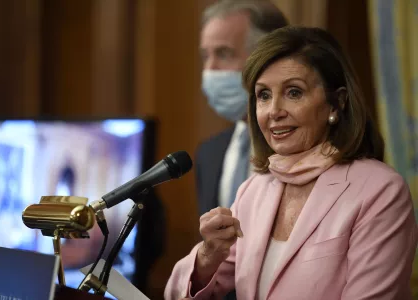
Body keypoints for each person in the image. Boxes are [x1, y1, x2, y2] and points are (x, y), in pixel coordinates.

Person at [165, 26, 418, 300]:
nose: (274, 111)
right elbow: (180, 293)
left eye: (294, 92)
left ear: (337, 103)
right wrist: (208, 255)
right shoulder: (253, 190)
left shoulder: (380, 191)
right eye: (263, 95)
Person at [196, 0, 288, 216]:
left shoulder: (303, 148)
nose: (210, 70)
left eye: (224, 54)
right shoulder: (208, 153)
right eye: (205, 56)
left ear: (269, 57)